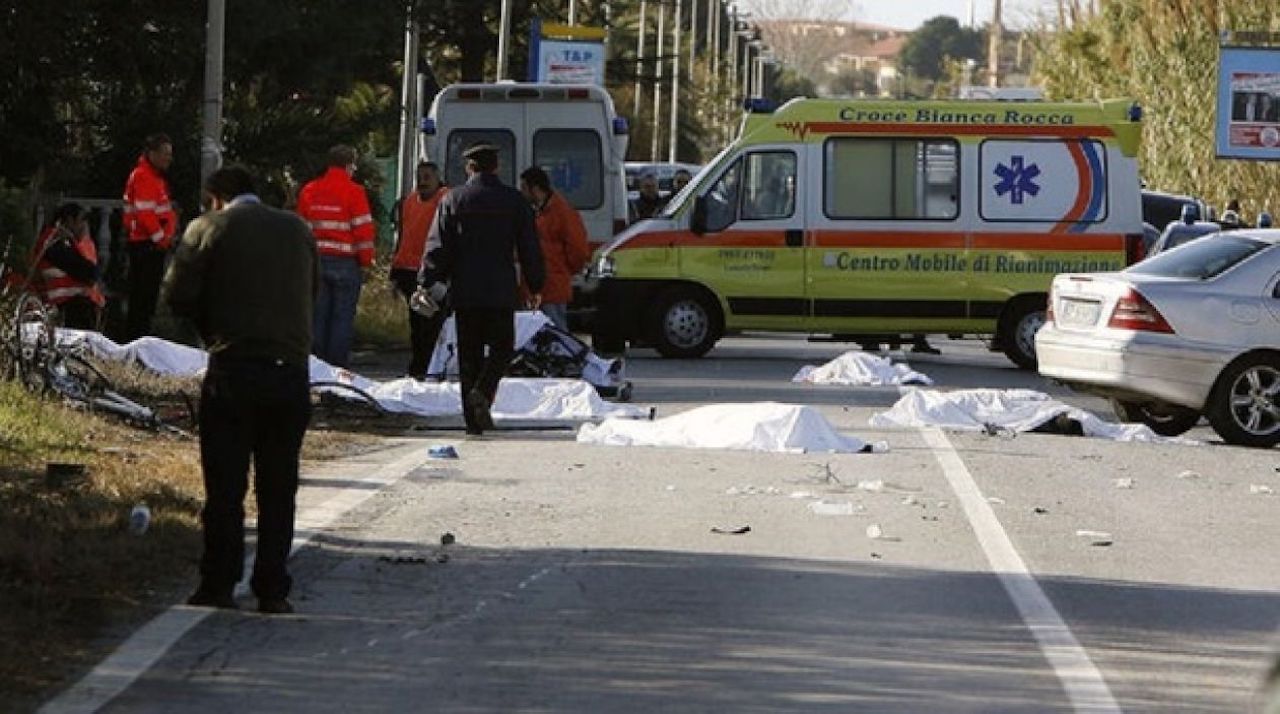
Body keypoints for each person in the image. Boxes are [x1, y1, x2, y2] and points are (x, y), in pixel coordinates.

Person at [162, 166, 318, 614]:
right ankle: (272, 587)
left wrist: (211, 326)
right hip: (290, 371)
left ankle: (218, 583)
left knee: (226, 485)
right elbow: (312, 290)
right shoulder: (298, 229)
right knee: (279, 485)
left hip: (234, 368)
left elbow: (178, 295)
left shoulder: (208, 227)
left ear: (215, 197)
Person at [419, 142, 544, 436]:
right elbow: (529, 248)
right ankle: (484, 391)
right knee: (503, 349)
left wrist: (427, 280)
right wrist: (536, 284)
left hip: (465, 290)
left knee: (469, 355)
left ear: (469, 168)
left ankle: (472, 421)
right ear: (496, 167)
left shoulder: (453, 199)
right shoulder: (514, 201)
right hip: (501, 289)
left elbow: (437, 245)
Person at [297, 144, 375, 368]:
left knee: (318, 317)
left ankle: (316, 368)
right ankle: (337, 369)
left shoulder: (309, 190)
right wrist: (366, 261)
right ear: (349, 166)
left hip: (316, 262)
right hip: (345, 263)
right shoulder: (354, 192)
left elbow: (301, 228)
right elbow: (363, 231)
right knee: (342, 318)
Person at [390, 161, 448, 379]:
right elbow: (403, 238)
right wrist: (395, 272)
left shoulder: (445, 199)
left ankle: (427, 367)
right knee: (418, 324)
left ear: (437, 178)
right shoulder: (408, 202)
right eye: (419, 177)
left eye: (427, 177)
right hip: (409, 271)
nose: (422, 182)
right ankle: (420, 368)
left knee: (432, 324)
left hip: (433, 272)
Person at [518, 166, 590, 331]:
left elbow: (578, 250)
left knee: (555, 333)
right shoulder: (538, 212)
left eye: (524, 188)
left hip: (552, 287)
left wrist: (562, 272)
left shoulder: (562, 213)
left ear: (535, 189)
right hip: (538, 287)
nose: (522, 193)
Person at [122, 133, 177, 340]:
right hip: (146, 246)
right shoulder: (144, 176)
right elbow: (146, 214)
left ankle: (139, 340)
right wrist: (162, 239)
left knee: (145, 300)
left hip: (149, 245)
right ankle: (137, 341)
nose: (169, 158)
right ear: (152, 154)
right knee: (142, 301)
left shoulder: (153, 177)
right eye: (165, 153)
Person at [30, 203, 104, 330]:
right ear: (69, 220)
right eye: (81, 221)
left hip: (70, 306)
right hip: (67, 308)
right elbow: (87, 271)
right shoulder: (55, 241)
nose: (84, 226)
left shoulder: (63, 241)